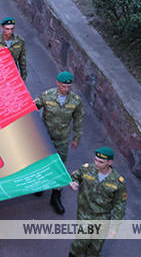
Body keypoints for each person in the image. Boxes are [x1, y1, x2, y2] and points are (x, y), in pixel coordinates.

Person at [34, 71, 84, 214]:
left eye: (69, 87)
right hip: (45, 137)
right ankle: (40, 186)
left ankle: (56, 196)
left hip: (62, 139)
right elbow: (32, 108)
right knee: (42, 163)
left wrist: (76, 138)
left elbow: (78, 119)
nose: (66, 89)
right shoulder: (47, 96)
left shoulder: (75, 100)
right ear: (57, 83)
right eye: (63, 86)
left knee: (59, 167)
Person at [68, 147, 127, 257]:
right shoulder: (86, 169)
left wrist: (115, 227)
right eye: (95, 160)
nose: (96, 163)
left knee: (95, 248)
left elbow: (120, 206)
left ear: (110, 162)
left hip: (102, 217)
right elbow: (75, 176)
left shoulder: (118, 183)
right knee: (81, 242)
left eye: (101, 162)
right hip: (85, 213)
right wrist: (74, 183)